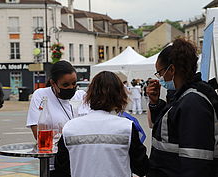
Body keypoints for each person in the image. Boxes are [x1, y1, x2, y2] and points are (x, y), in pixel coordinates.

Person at [54, 71, 149, 177]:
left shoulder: (70, 128)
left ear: (89, 95)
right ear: (119, 96)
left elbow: (61, 170)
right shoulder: (126, 127)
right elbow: (142, 167)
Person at [146, 38, 218, 177]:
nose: (160, 78)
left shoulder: (193, 102)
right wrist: (155, 104)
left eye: (160, 73)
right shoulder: (183, 96)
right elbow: (169, 131)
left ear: (172, 69)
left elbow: (195, 161)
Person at [26, 60, 90, 174]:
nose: (71, 87)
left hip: (81, 162)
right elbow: (37, 131)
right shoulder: (41, 95)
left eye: (74, 83)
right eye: (65, 85)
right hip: (54, 164)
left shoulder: (82, 96)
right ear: (53, 83)